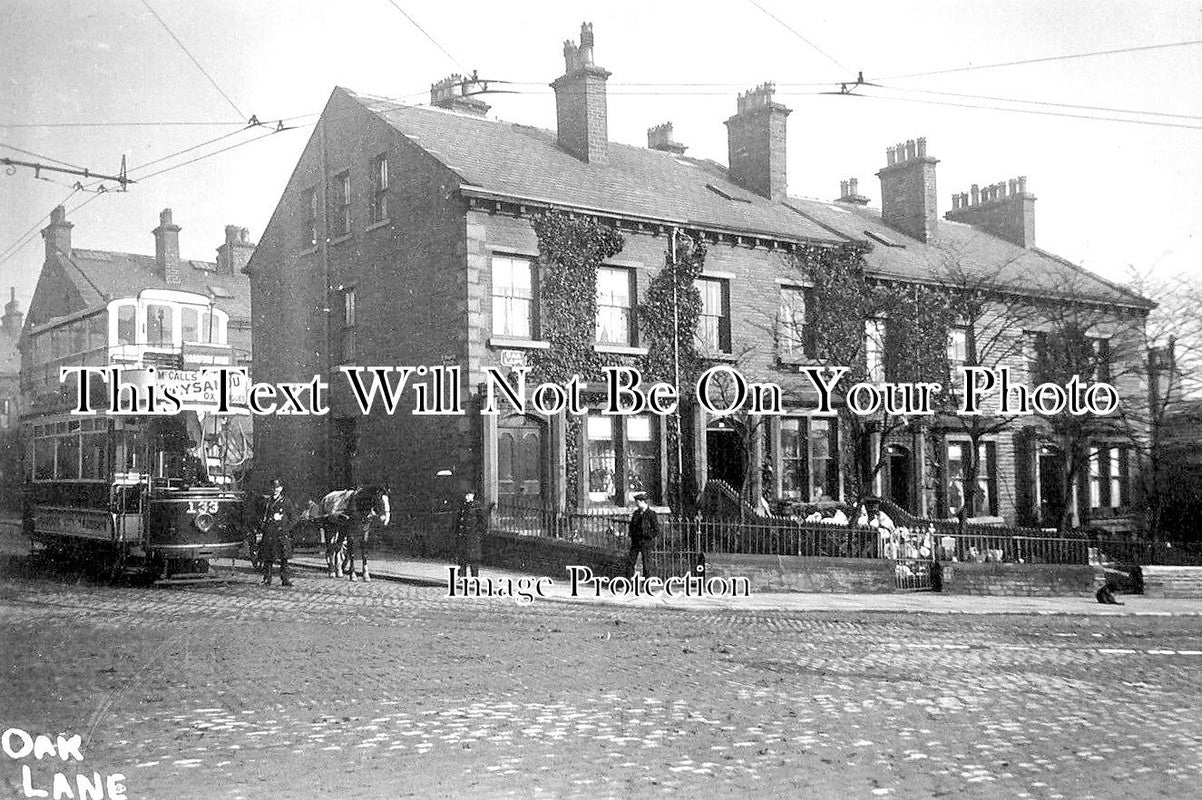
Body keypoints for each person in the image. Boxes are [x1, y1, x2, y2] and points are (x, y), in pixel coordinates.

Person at [346, 484, 390, 582]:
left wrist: (381, 515)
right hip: (355, 520)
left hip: (365, 519)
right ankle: (352, 569)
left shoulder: (373, 504)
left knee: (365, 545)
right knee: (352, 542)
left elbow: (379, 505)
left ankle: (365, 570)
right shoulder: (355, 502)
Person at [260, 477, 299, 587]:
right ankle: (267, 579)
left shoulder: (286, 502)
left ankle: (285, 579)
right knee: (268, 558)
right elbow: (263, 516)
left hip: (281, 533)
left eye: (278, 487)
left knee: (284, 558)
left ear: (281, 488)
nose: (275, 489)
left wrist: (286, 528)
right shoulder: (267, 502)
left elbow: (294, 518)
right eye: (274, 487)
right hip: (270, 533)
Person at [454, 490, 488, 578]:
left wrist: (478, 533)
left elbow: (483, 522)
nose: (467, 497)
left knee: (473, 559)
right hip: (463, 537)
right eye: (466, 495)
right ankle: (461, 576)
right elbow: (458, 521)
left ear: (472, 496)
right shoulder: (463, 506)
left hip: (472, 537)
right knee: (462, 558)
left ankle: (474, 577)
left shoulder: (477, 506)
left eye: (469, 495)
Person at [625, 493, 660, 580]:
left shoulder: (651, 514)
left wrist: (648, 535)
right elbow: (632, 526)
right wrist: (631, 535)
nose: (636, 504)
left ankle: (647, 583)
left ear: (642, 501)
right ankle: (627, 582)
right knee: (630, 562)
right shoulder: (636, 513)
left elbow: (656, 530)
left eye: (637, 502)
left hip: (646, 542)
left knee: (646, 564)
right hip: (636, 541)